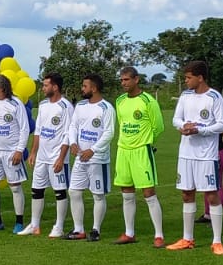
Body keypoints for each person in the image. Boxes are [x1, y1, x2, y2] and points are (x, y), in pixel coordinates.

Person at [167, 60, 223, 254]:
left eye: (188, 77)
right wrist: (183, 126)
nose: (186, 81)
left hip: (206, 155)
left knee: (211, 195)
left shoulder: (214, 97)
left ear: (200, 77)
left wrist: (199, 129)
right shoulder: (185, 96)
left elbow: (222, 125)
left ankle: (217, 241)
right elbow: (176, 118)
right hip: (186, 154)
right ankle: (187, 239)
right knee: (186, 193)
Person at [112, 66, 165, 246]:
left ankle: (159, 235)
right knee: (126, 192)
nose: (123, 83)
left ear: (136, 80)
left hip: (142, 151)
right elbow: (122, 123)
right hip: (123, 151)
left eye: (126, 79)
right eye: (121, 80)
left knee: (149, 192)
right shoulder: (119, 101)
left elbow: (158, 126)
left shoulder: (148, 101)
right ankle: (129, 233)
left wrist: (147, 142)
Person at [21, 72, 74, 238]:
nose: (42, 88)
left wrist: (61, 158)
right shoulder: (43, 105)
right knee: (36, 190)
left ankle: (58, 227)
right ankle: (34, 225)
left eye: (45, 85)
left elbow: (68, 134)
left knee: (60, 191)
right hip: (42, 157)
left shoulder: (66, 107)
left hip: (57, 158)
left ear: (55, 87)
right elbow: (38, 130)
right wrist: (34, 151)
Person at [66, 74, 115, 241]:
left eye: (85, 86)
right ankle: (79, 229)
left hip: (97, 159)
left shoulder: (106, 108)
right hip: (80, 157)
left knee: (98, 194)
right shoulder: (80, 105)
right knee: (73, 191)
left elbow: (109, 133)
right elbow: (73, 126)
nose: (82, 89)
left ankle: (96, 230)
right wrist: (73, 143)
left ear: (94, 88)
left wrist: (93, 150)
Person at [0, 73, 31, 233]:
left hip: (11, 152)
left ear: (1, 87)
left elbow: (24, 128)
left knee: (15, 187)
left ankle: (19, 222)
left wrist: (19, 150)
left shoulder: (16, 104)